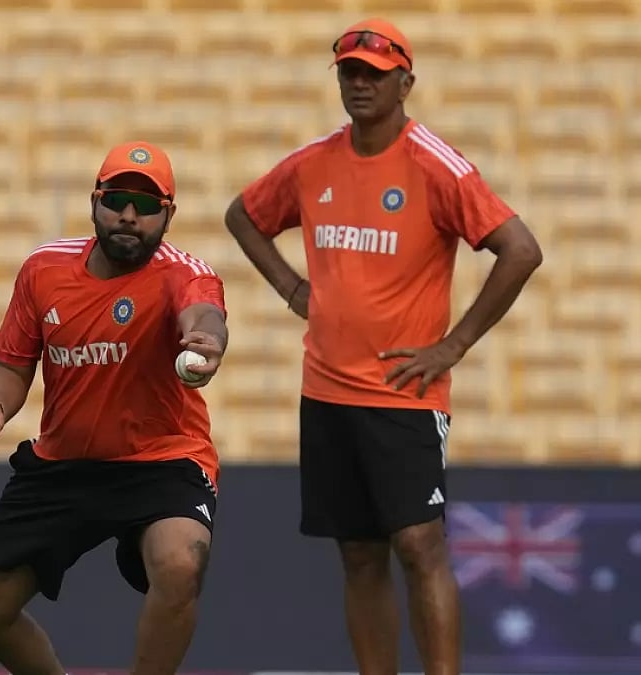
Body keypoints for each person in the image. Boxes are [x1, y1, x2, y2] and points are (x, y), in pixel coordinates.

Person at [223, 17, 544, 675]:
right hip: (327, 387)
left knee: (420, 544)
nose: (360, 82)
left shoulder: (435, 163)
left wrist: (453, 344)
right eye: (349, 70)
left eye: (374, 72)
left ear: (406, 80)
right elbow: (243, 215)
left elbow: (520, 250)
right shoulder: (315, 162)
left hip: (404, 392)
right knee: (358, 551)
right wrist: (290, 286)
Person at [0, 141, 229, 675]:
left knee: (180, 563)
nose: (130, 215)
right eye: (119, 199)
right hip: (66, 463)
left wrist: (205, 339)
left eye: (148, 206)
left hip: (162, 459)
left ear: (168, 217)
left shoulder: (184, 274)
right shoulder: (43, 269)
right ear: (95, 201)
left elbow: (205, 316)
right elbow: (11, 365)